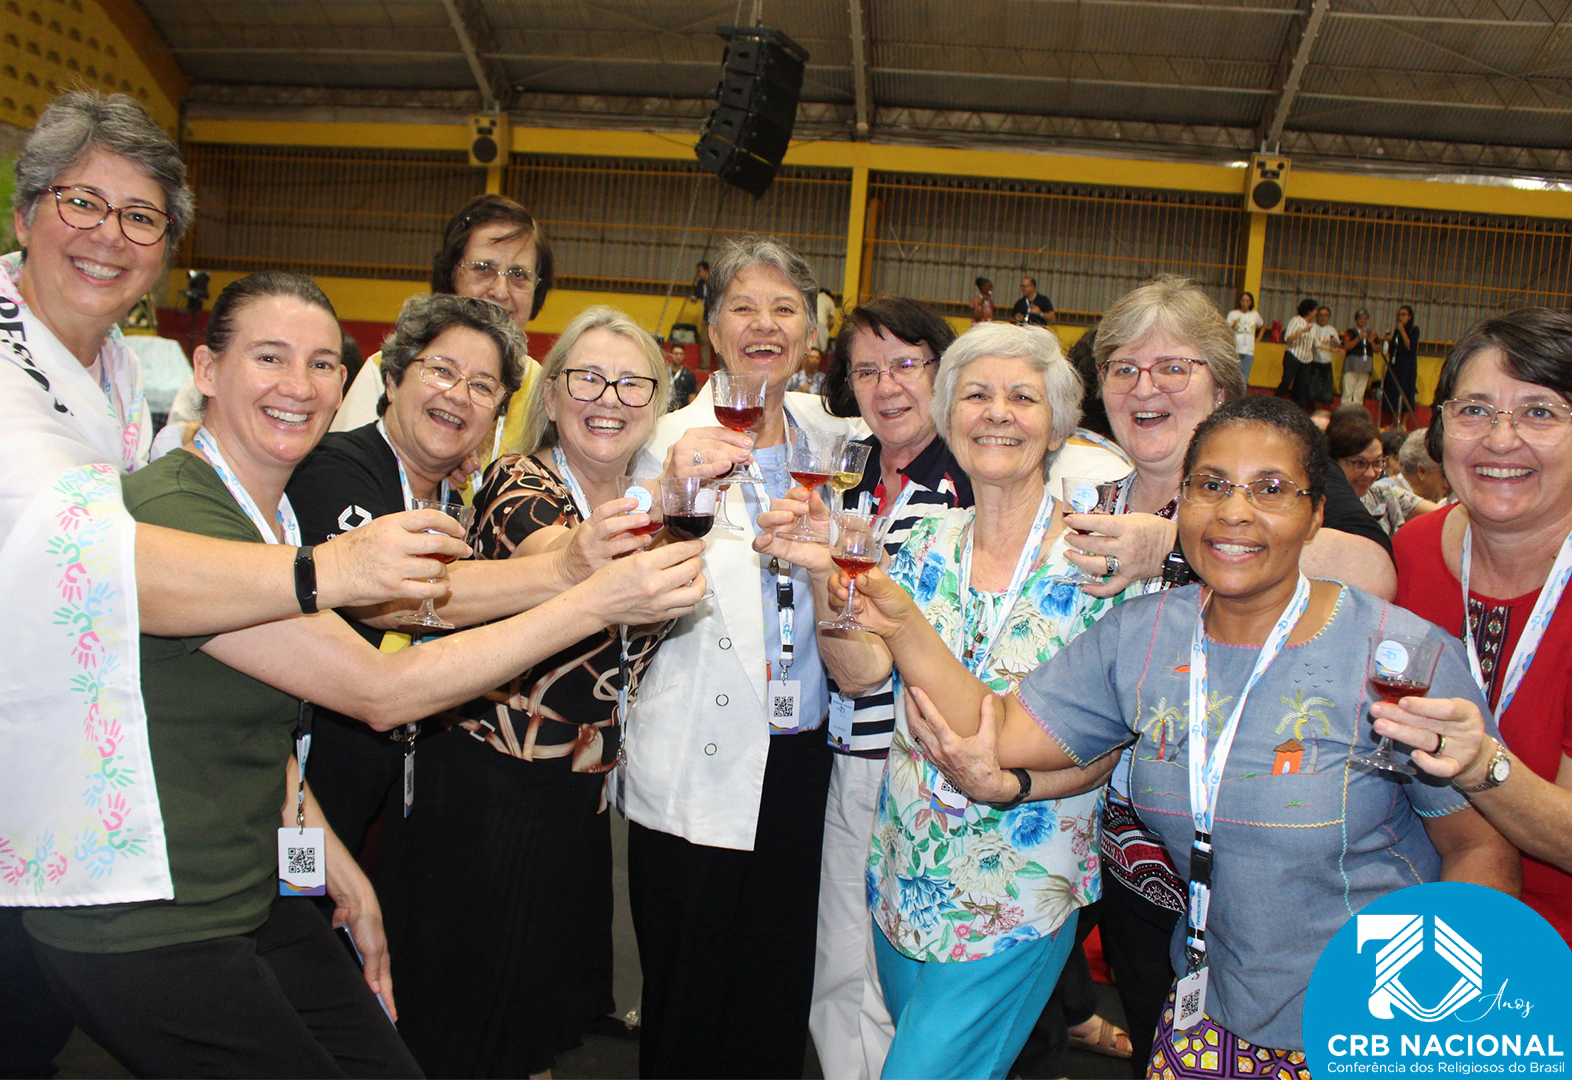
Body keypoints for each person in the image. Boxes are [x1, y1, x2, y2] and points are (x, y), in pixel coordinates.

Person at [21, 271, 706, 1076]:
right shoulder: (194, 509)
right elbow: (382, 684)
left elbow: (268, 720)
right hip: (148, 910)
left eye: (320, 365)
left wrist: (328, 857)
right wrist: (588, 596)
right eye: (270, 357)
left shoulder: (275, 514)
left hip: (253, 882)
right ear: (205, 369)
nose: (298, 385)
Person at [0, 91, 463, 1074]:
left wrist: (321, 848)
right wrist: (329, 572)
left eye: (141, 217)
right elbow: (114, 565)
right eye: (83, 202)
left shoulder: (120, 376)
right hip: (63, 834)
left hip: (90, 809)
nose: (108, 235)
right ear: (26, 211)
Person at [862, 393, 1517, 1072]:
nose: (1235, 511)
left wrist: (1440, 1018)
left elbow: (1480, 846)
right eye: (1212, 485)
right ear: (1182, 503)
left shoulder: (1397, 661)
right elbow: (1000, 729)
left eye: (1271, 489)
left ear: (1316, 513)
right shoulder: (1143, 638)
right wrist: (901, 620)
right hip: (1209, 1016)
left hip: (1372, 1024)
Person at [1033, 275, 1399, 1072]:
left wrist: (1175, 542)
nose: (1146, 388)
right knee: (1156, 1043)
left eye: (1174, 367)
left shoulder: (1266, 465)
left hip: (1263, 861)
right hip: (1126, 851)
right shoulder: (1085, 500)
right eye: (1124, 368)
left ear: (1221, 385)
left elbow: (1373, 572)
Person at [759, 321, 1113, 1080]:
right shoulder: (926, 543)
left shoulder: (1096, 564)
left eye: (1023, 398)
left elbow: (1096, 743)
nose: (997, 412)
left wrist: (1013, 783)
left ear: (1057, 427)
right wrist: (826, 574)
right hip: (906, 873)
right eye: (976, 395)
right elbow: (860, 674)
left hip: (1019, 892)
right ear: (950, 419)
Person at [381, 306, 678, 1077]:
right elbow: (557, 553)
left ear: (656, 404)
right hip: (488, 793)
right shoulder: (520, 482)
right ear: (551, 396)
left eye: (632, 384)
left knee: (528, 1034)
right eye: (588, 379)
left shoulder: (646, 503)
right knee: (466, 1032)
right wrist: (665, 500)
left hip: (573, 801)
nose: (608, 399)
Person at [620, 234, 865, 1079]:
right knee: (687, 998)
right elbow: (620, 582)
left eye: (785, 309)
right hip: (695, 753)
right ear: (714, 330)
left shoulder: (840, 441)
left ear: (811, 333)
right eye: (744, 308)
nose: (765, 325)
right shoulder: (660, 439)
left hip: (803, 757)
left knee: (775, 993)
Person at [289, 292, 612, 860]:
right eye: (441, 370)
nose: (459, 395)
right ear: (392, 379)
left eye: (483, 386)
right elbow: (393, 597)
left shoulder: (457, 503)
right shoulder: (334, 468)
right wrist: (567, 571)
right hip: (307, 792)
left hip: (404, 792)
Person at [807, 296, 961, 1079]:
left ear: (942, 371)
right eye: (866, 370)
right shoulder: (844, 471)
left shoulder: (976, 478)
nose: (887, 385)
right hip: (854, 751)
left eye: (905, 364)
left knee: (927, 970)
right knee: (841, 961)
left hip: (941, 765)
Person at [1392, 308, 1572, 942]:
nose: (1500, 440)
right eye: (1474, 410)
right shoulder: (1411, 552)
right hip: (1413, 908)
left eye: (1539, 412)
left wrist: (1482, 767)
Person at [332, 193, 556, 465]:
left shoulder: (547, 395)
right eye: (483, 268)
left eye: (519, 275)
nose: (500, 291)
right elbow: (342, 468)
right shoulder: (389, 370)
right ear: (451, 275)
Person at [1328, 413, 1437, 535]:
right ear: (1334, 462)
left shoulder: (1383, 494)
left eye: (1377, 462)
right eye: (1360, 463)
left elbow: (1441, 513)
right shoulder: (1319, 504)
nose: (1370, 473)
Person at [1298, 304, 1342, 409]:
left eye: (1325, 315)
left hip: (1326, 363)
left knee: (1323, 392)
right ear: (1317, 316)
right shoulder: (1312, 327)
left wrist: (1335, 342)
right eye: (1320, 315)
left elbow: (1338, 346)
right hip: (1312, 361)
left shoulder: (1332, 330)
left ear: (1329, 317)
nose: (1323, 317)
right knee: (1312, 391)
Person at [1381, 304, 1420, 423]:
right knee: (1393, 392)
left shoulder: (1414, 330)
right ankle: (1394, 421)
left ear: (1409, 317)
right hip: (1395, 365)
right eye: (1399, 315)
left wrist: (1402, 330)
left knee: (1406, 392)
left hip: (1407, 366)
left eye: (1403, 315)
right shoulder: (1396, 332)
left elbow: (1410, 346)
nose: (1400, 317)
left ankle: (1403, 422)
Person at [1276, 297, 1317, 401]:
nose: (1316, 313)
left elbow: (1316, 342)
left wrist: (1332, 349)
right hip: (1293, 355)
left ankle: (1299, 407)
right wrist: (1302, 331)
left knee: (1302, 386)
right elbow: (1288, 338)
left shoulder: (1313, 326)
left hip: (1307, 359)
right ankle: (1274, 401)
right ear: (1309, 311)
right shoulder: (1296, 321)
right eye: (1315, 310)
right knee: (1287, 381)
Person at [1224, 291, 1263, 384]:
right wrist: (1234, 325)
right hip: (1235, 349)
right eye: (1243, 300)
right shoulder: (1233, 314)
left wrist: (1259, 338)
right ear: (1240, 301)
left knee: (1244, 378)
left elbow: (1262, 325)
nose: (1245, 303)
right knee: (1232, 376)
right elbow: (1225, 330)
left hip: (1249, 350)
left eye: (1247, 301)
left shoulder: (1254, 315)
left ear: (1251, 303)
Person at [1341, 308, 1378, 405]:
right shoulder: (1350, 332)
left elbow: (1377, 349)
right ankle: (1344, 411)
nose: (1363, 321)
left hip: (1365, 366)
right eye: (1360, 318)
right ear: (1356, 319)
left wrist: (1371, 341)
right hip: (1352, 365)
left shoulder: (1371, 333)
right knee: (1348, 392)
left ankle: (1357, 412)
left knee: (1359, 393)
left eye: (1365, 318)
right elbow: (1346, 346)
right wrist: (1358, 338)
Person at [666, 337, 697, 409]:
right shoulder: (662, 372)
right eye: (676, 354)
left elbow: (691, 402)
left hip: (680, 411)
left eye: (681, 354)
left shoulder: (689, 376)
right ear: (670, 354)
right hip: (662, 411)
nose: (678, 357)